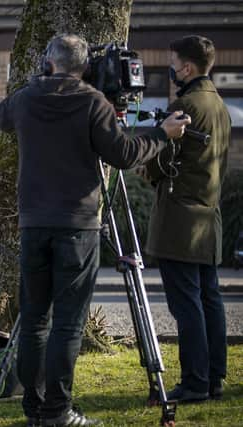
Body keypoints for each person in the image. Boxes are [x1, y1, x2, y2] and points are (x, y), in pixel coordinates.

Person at [0, 34, 190, 427]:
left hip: (33, 224)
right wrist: (162, 135)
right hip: (76, 226)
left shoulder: (27, 98)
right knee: (66, 322)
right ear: (85, 67)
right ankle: (57, 412)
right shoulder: (92, 102)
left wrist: (36, 80)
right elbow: (124, 154)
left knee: (34, 319)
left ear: (49, 62)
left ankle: (35, 407)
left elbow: (0, 118)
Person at [142, 35, 230, 403]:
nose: (172, 71)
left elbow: (161, 162)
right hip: (208, 217)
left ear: (188, 68)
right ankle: (213, 377)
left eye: (174, 64)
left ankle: (194, 381)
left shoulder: (186, 104)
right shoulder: (219, 104)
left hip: (180, 221)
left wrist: (148, 157)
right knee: (210, 300)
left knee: (187, 305)